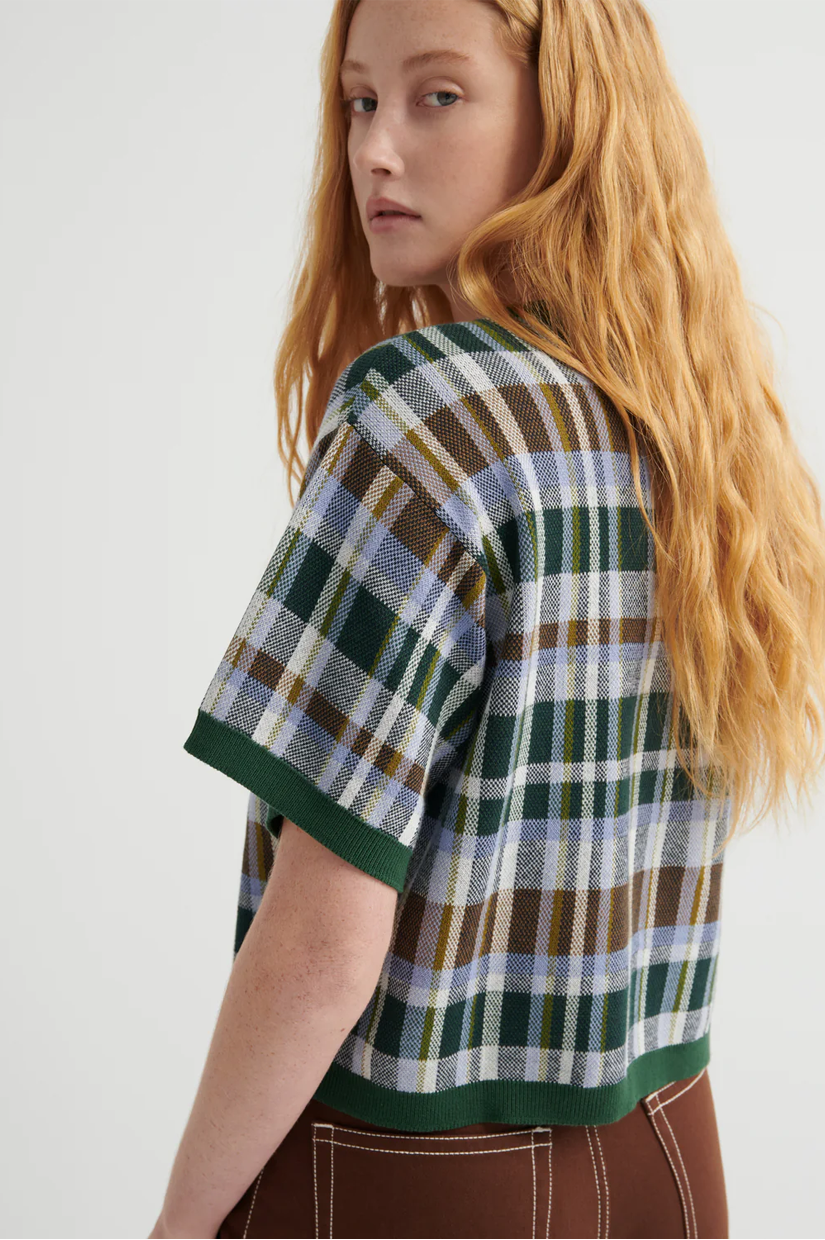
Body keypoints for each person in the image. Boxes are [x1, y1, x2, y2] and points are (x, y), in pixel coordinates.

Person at [150, 1, 825, 1237]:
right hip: (666, 1149)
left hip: (410, 1176)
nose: (374, 149)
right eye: (360, 101)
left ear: (569, 117)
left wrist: (180, 1224)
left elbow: (322, 943)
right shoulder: (698, 434)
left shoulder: (420, 423)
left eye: (438, 96)